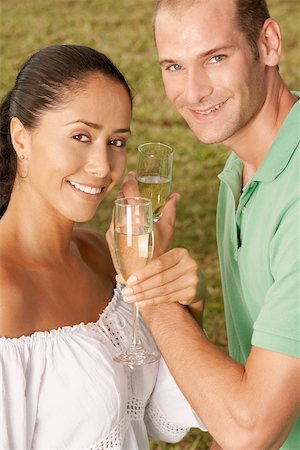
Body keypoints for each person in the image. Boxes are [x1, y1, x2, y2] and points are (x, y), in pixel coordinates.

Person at [112, 0, 300, 448]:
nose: (192, 91)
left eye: (215, 58)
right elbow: (244, 393)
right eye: (174, 66)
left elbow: (250, 430)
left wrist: (151, 294)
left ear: (268, 44)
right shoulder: (240, 172)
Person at [0, 44, 207, 449]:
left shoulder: (98, 254)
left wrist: (179, 302)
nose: (102, 165)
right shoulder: (5, 295)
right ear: (21, 138)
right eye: (81, 136)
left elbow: (159, 418)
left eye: (116, 142)